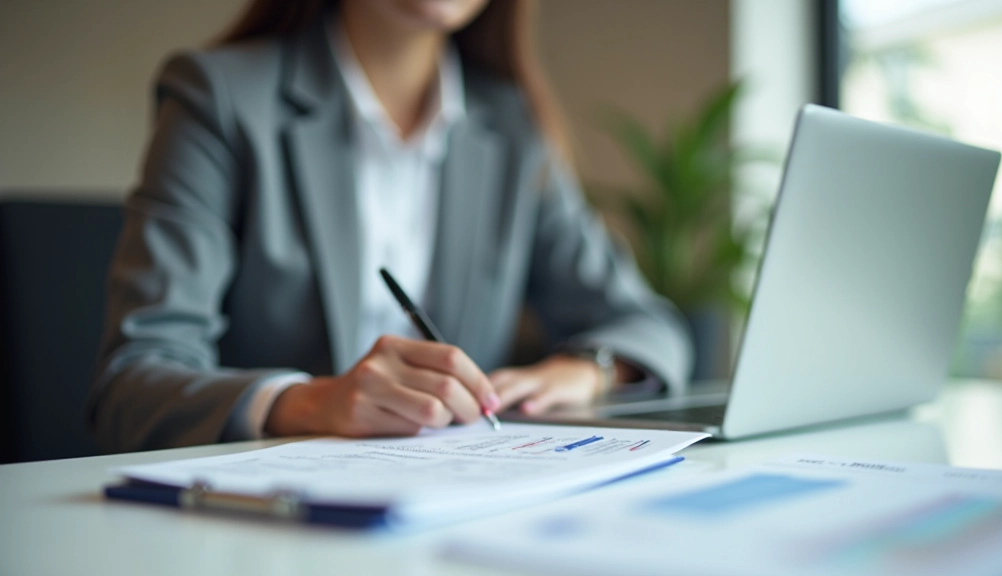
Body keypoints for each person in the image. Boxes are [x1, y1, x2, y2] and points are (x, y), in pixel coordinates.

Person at [87, 0, 692, 453]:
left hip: (452, 509)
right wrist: (306, 402)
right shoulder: (219, 97)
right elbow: (133, 383)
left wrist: (591, 368)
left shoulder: (511, 126)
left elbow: (647, 324)